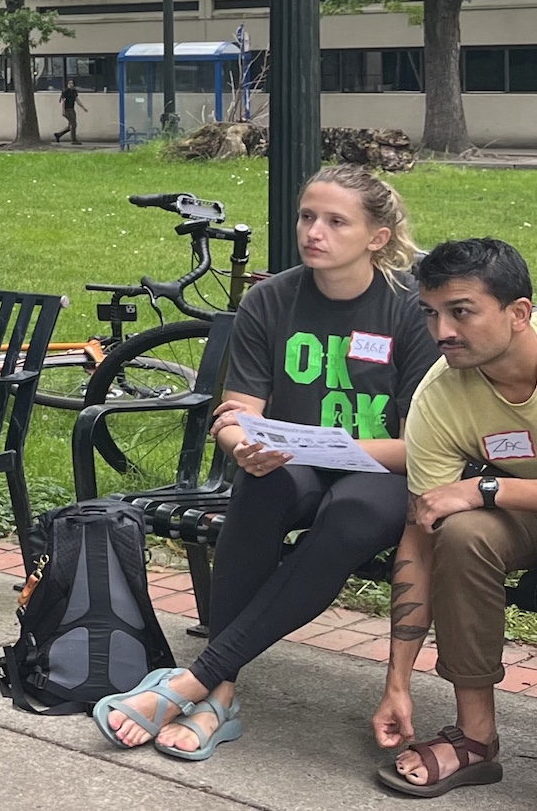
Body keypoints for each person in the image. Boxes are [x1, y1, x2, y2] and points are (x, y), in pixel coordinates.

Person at [94, 166, 431, 762]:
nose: (313, 232)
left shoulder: (409, 309)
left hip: (382, 469)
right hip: (290, 461)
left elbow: (419, 446)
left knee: (349, 513)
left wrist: (313, 445)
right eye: (307, 216)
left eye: (335, 221)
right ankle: (219, 693)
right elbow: (240, 413)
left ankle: (198, 680)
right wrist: (240, 444)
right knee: (260, 484)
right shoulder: (271, 298)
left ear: (377, 237)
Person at [372, 238, 537, 795]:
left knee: (474, 507)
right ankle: (476, 739)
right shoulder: (441, 394)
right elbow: (423, 530)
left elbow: (480, 492)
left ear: (518, 313)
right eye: (431, 313)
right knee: (461, 531)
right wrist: (397, 681)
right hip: (524, 508)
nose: (441, 331)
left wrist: (488, 487)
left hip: (513, 495)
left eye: (460, 311)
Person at [53, 78, 85, 144]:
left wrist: (83, 107)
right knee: (73, 124)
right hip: (67, 109)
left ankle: (59, 134)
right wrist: (63, 111)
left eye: (72, 83)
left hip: (72, 109)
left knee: (71, 125)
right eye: (69, 83)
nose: (71, 84)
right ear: (67, 84)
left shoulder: (74, 91)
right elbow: (63, 101)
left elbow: (77, 100)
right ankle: (73, 140)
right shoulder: (65, 92)